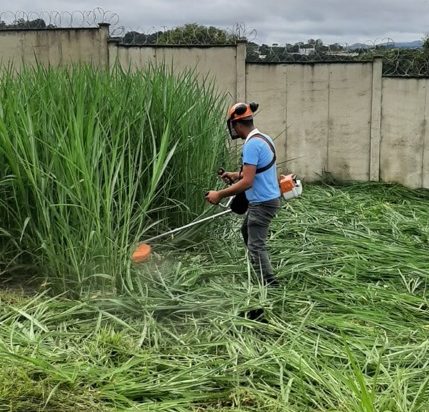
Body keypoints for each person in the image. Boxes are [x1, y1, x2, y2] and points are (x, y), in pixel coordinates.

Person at [205, 102, 281, 286]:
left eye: (233, 126)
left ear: (237, 124)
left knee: (256, 246)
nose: (233, 130)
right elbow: (256, 171)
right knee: (246, 231)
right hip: (270, 198)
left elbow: (247, 182)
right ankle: (258, 270)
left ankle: (270, 285)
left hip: (262, 203)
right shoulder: (264, 138)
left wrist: (219, 194)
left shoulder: (251, 145)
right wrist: (234, 175)